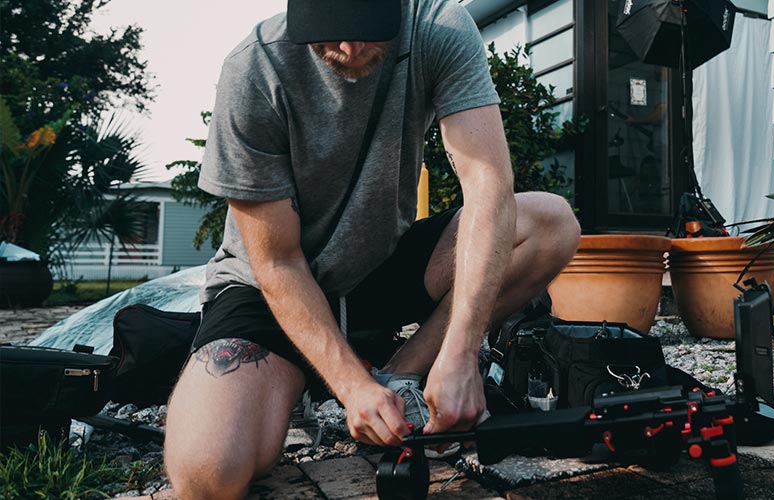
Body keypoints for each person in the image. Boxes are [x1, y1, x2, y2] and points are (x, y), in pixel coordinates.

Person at [162, 0, 580, 497]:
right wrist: (348, 386)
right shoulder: (254, 70)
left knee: (550, 222)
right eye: (329, 31)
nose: (349, 48)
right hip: (273, 288)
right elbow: (277, 261)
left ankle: (400, 375)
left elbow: (487, 182)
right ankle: (311, 379)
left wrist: (461, 351)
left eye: (369, 30)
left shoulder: (438, 28)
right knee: (208, 475)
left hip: (378, 268)